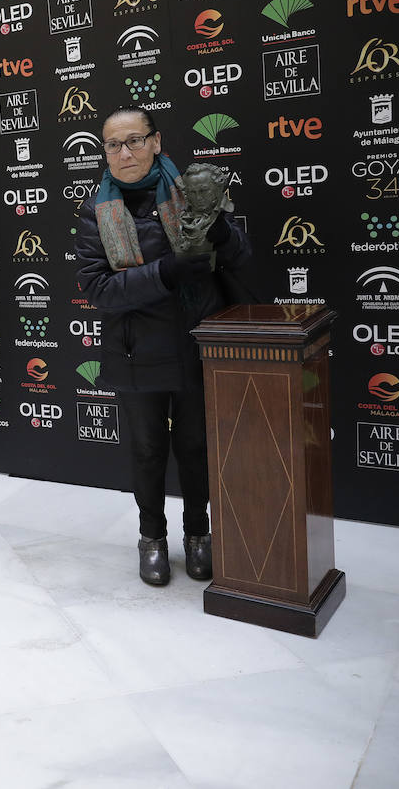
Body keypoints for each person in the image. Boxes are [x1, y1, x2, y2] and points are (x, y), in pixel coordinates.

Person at [74, 106, 250, 586]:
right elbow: (98, 290)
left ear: (155, 141)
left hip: (197, 344)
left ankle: (199, 535)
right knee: (149, 450)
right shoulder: (96, 210)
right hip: (136, 349)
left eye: (133, 140)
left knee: (195, 447)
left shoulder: (195, 191)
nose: (124, 152)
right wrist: (165, 272)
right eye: (113, 144)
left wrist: (216, 230)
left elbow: (240, 257)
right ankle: (151, 537)